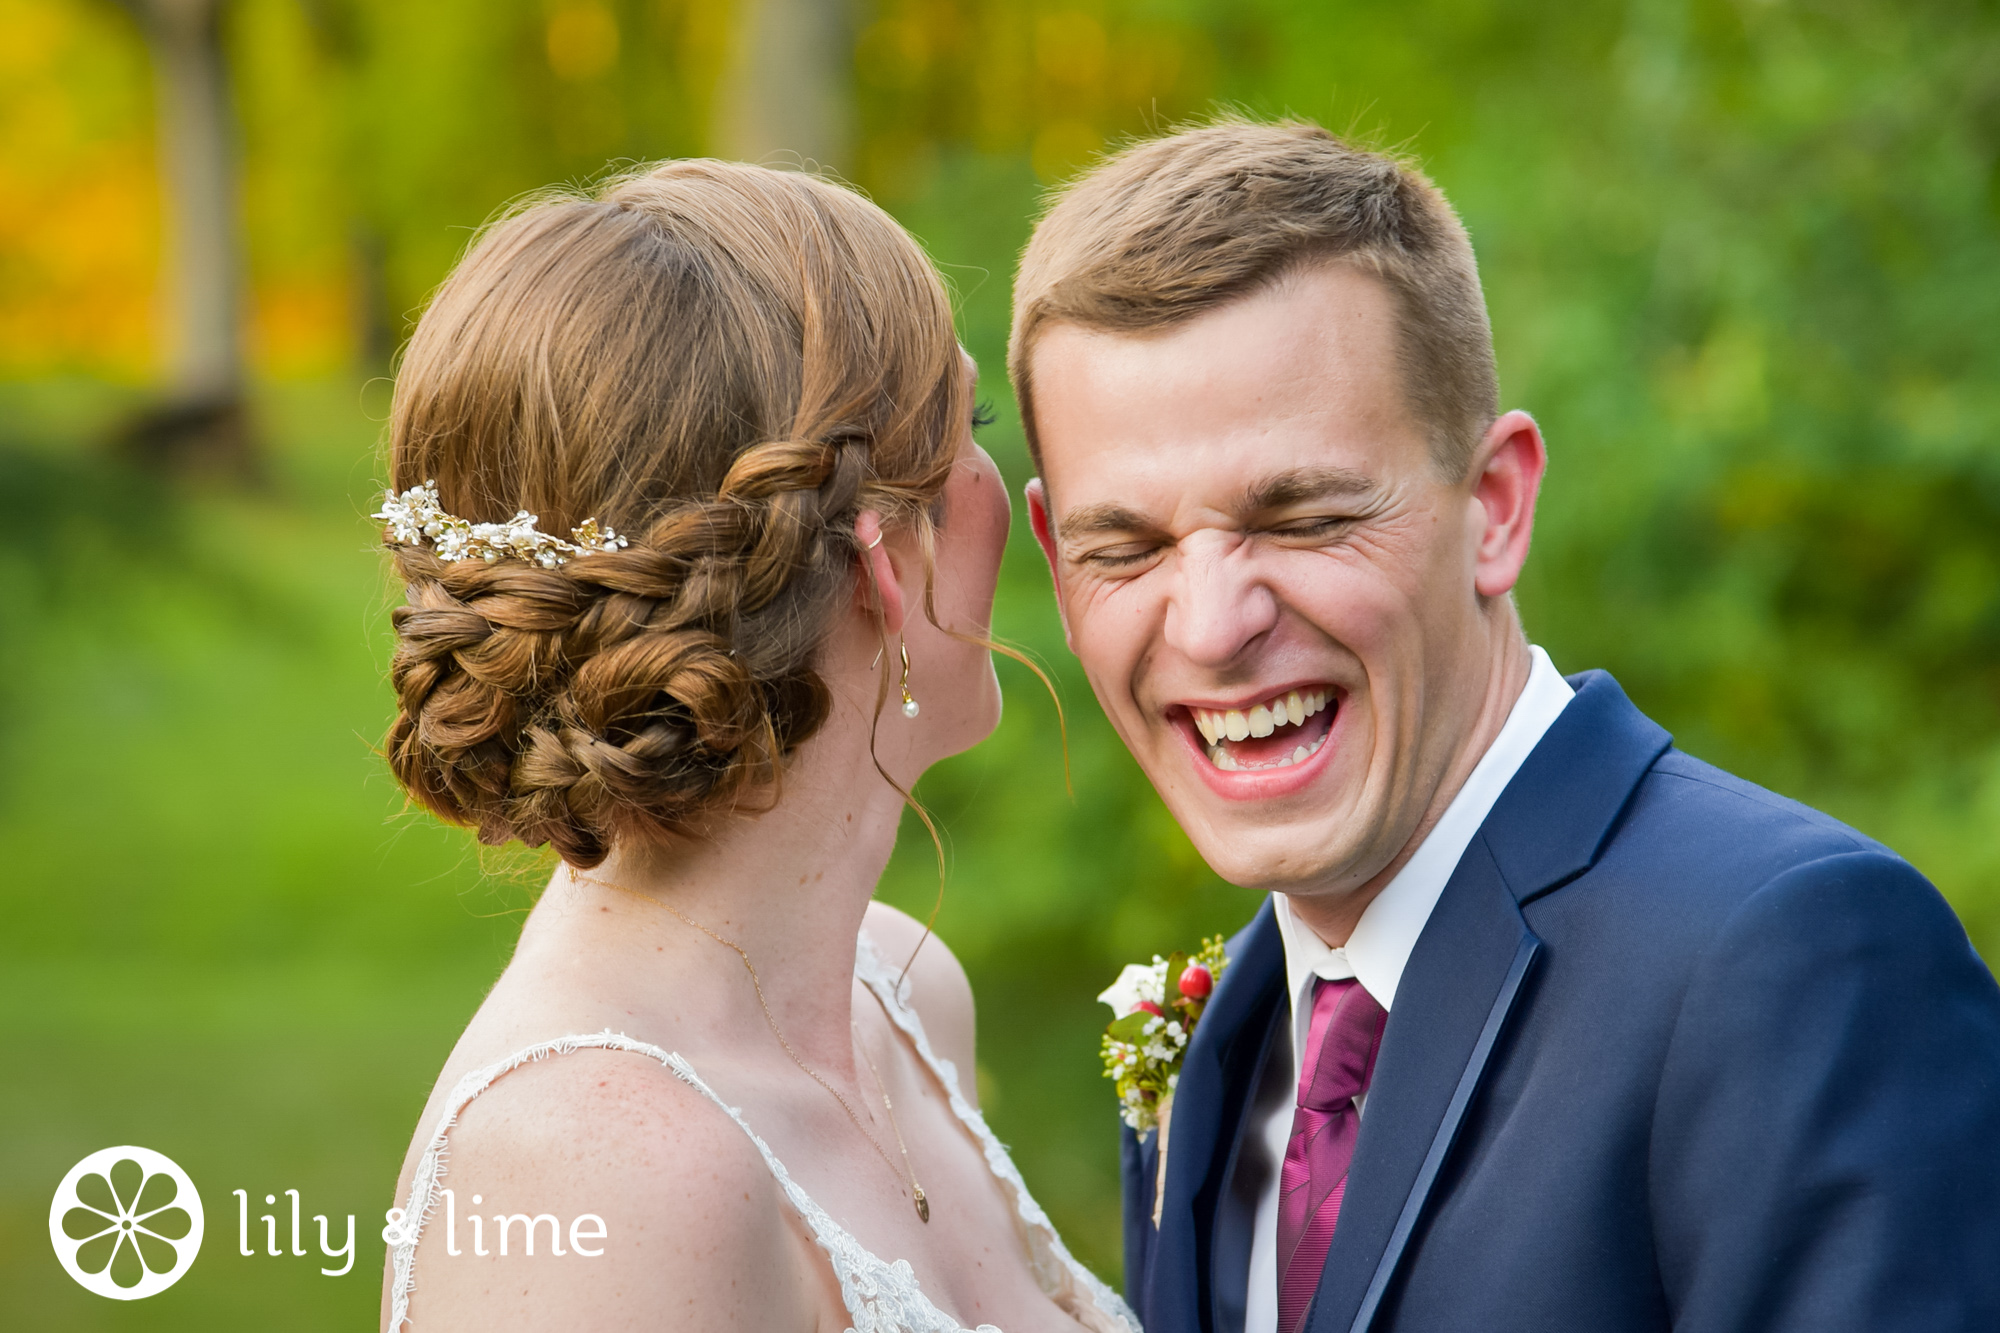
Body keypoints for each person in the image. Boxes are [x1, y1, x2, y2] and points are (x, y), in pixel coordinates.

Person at [1009, 117, 2000, 1333]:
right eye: (1130, 546)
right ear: (1057, 563)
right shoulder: (1224, 1038)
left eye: (1306, 517)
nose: (1210, 625)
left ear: (1493, 504)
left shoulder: (1787, 960)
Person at [374, 159, 1137, 1333]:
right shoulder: (601, 1170)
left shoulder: (902, 993)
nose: (1013, 481)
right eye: (971, 425)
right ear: (887, 560)